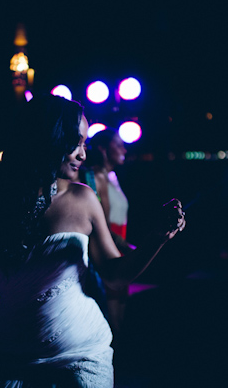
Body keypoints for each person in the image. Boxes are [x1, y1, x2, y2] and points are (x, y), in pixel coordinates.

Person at [0, 94, 186, 387]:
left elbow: (115, 275)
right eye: (75, 142)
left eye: (84, 144)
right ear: (47, 139)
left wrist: (157, 239)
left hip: (81, 357)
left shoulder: (82, 198)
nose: (83, 154)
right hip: (9, 360)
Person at [80, 128, 135, 337]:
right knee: (113, 329)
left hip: (120, 251)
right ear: (103, 148)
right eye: (118, 144)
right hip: (108, 254)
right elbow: (99, 225)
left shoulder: (112, 176)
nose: (124, 148)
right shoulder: (93, 177)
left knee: (120, 322)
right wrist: (130, 249)